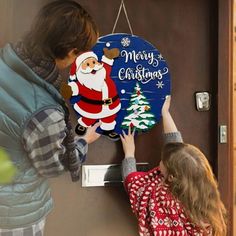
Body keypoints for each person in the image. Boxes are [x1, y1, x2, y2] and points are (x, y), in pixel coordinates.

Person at [0, 1, 99, 235]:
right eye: (80, 53)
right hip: (14, 216)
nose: (78, 61)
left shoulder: (7, 59)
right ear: (68, 50)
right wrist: (84, 141)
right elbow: (53, 166)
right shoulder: (44, 112)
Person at [120, 96, 227, 236]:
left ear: (170, 177)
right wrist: (165, 113)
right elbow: (178, 152)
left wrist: (129, 153)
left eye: (163, 162)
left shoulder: (161, 199)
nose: (161, 161)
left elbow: (133, 184)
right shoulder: (205, 200)